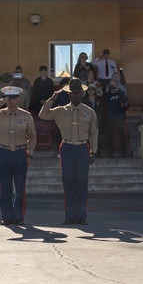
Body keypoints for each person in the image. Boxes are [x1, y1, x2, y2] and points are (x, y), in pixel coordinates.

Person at [40, 79, 98, 225]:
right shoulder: (60, 110)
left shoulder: (89, 112)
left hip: (82, 148)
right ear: (69, 94)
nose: (75, 96)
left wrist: (94, 151)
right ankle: (70, 216)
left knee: (81, 183)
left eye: (78, 93)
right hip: (66, 147)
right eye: (72, 93)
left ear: (82, 94)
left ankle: (81, 216)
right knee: (68, 182)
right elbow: (43, 115)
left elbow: (94, 132)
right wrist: (51, 99)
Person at [0, 86, 36, 225]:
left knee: (20, 186)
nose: (11, 101)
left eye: (14, 98)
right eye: (8, 98)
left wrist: (30, 154)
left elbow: (32, 136)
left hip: (20, 152)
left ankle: (18, 217)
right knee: (5, 187)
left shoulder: (26, 115)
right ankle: (6, 216)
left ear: (18, 99)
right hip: (4, 152)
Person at [102, 76, 129, 157]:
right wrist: (116, 101)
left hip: (120, 117)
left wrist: (117, 91)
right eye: (111, 85)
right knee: (109, 135)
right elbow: (107, 105)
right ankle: (110, 153)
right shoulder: (107, 95)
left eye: (114, 85)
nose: (113, 87)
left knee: (122, 135)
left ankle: (123, 153)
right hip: (110, 117)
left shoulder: (121, 92)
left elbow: (124, 100)